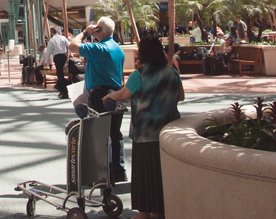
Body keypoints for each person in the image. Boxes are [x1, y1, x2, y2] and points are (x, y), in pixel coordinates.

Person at [104, 35, 185, 219]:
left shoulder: (139, 74)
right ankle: (160, 211)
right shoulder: (172, 72)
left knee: (145, 176)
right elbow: (181, 96)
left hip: (145, 134)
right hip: (167, 134)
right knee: (161, 175)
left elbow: (124, 94)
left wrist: (110, 97)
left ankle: (143, 213)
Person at [69, 17, 127, 182]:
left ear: (99, 30)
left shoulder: (100, 48)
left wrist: (85, 32)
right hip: (116, 92)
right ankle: (118, 170)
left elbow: (72, 46)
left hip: (100, 94)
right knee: (115, 133)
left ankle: (102, 173)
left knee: (99, 134)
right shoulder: (117, 49)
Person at [43, 26, 71, 99]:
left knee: (59, 73)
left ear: (51, 32)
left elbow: (48, 51)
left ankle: (63, 90)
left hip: (57, 56)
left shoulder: (52, 40)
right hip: (63, 56)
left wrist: (46, 61)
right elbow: (69, 46)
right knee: (61, 72)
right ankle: (62, 88)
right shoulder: (63, 38)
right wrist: (70, 54)